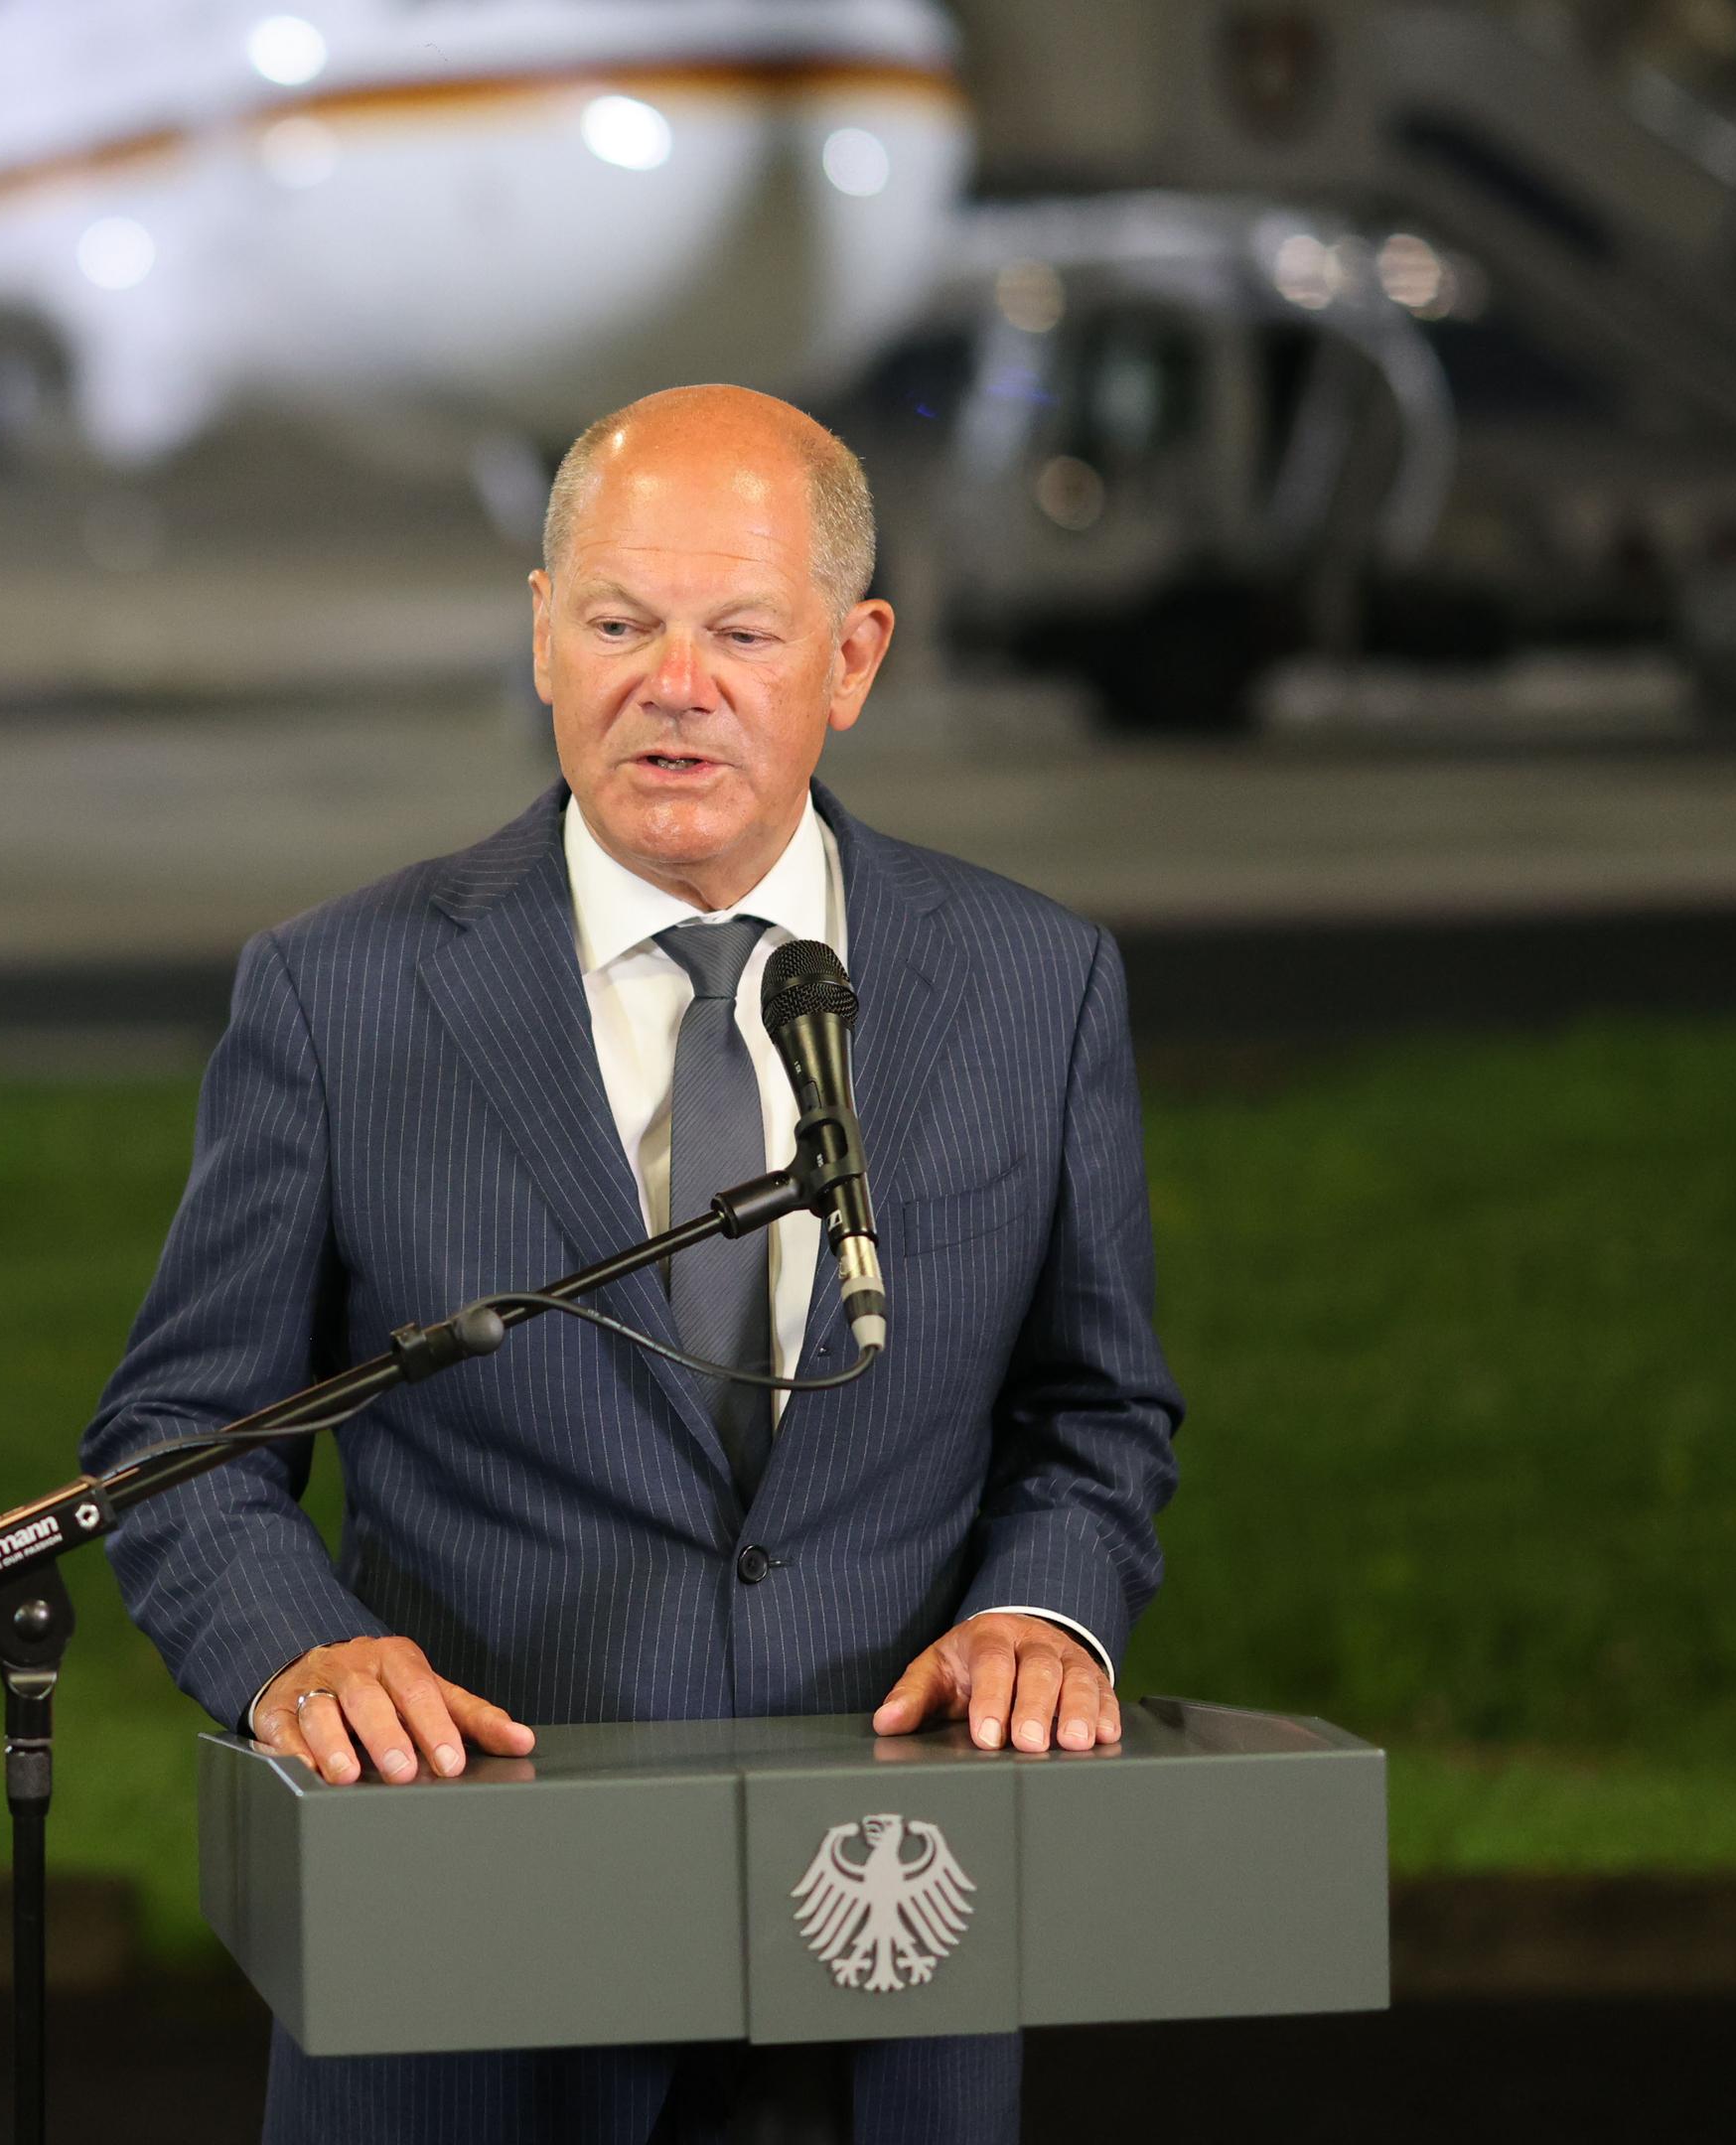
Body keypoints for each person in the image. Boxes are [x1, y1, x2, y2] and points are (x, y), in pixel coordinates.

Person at [80, 384, 1182, 2144]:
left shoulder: (1031, 988)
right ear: (541, 636)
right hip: (461, 1989)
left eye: (743, 632)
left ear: (855, 656)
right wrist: (299, 1656)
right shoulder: (342, 994)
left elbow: (1096, 1410)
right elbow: (176, 1439)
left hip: (880, 1962)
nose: (676, 685)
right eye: (619, 623)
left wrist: (1042, 1609)